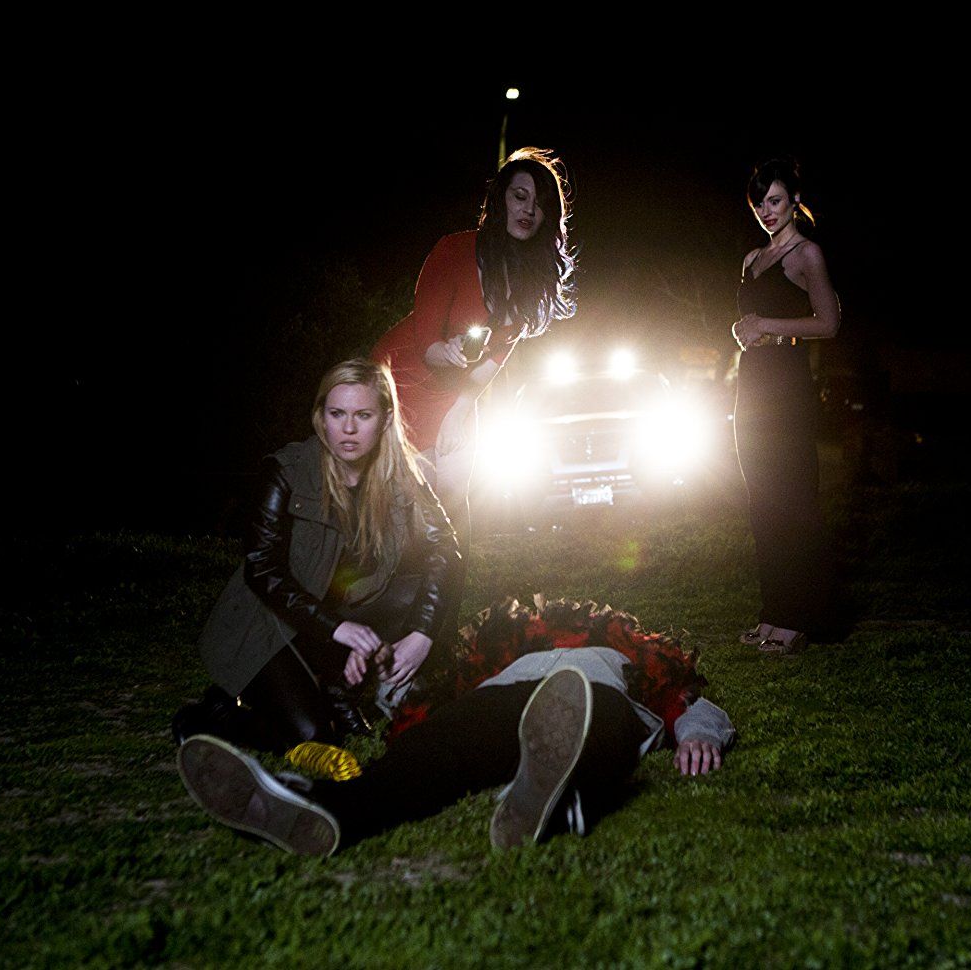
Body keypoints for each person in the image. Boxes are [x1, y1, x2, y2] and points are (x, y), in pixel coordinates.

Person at [175, 598, 734, 855]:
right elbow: (420, 698)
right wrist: (385, 678)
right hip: (498, 703)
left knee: (594, 725)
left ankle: (556, 799)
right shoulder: (497, 665)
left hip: (594, 697)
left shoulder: (628, 664)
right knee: (434, 750)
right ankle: (323, 809)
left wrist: (700, 735)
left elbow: (692, 702)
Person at [172, 358, 463, 753]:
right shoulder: (288, 471)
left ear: (384, 419)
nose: (348, 428)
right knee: (314, 738)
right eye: (337, 413)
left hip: (335, 614)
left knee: (422, 588)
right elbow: (262, 569)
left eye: (363, 415)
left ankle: (341, 688)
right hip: (267, 624)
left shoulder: (400, 474)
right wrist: (337, 630)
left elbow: (444, 546)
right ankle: (217, 715)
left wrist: (422, 633)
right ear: (320, 417)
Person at [370, 147, 577, 546]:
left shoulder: (530, 279)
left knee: (452, 495)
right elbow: (427, 340)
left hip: (455, 391)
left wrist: (461, 409)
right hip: (398, 380)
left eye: (539, 204)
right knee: (400, 506)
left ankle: (445, 582)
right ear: (501, 199)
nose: (528, 210)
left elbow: (498, 354)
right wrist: (443, 351)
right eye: (520, 196)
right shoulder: (454, 250)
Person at [730, 158, 842, 655]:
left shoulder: (806, 254)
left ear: (795, 200)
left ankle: (802, 618)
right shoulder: (752, 259)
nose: (766, 211)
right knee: (762, 501)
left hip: (787, 383)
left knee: (794, 498)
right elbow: (753, 319)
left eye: (774, 200)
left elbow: (829, 323)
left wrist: (767, 326)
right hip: (752, 380)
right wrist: (744, 330)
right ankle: (773, 613)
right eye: (759, 203)